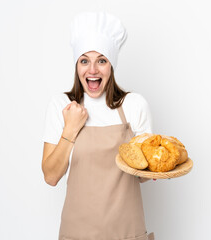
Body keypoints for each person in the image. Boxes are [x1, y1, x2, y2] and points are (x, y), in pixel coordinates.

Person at [42, 12, 155, 240]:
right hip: (77, 233)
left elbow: (144, 176)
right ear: (77, 65)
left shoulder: (134, 105)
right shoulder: (62, 106)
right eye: (84, 61)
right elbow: (51, 176)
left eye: (101, 60)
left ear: (111, 65)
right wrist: (71, 129)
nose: (92, 70)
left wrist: (155, 167)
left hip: (127, 233)